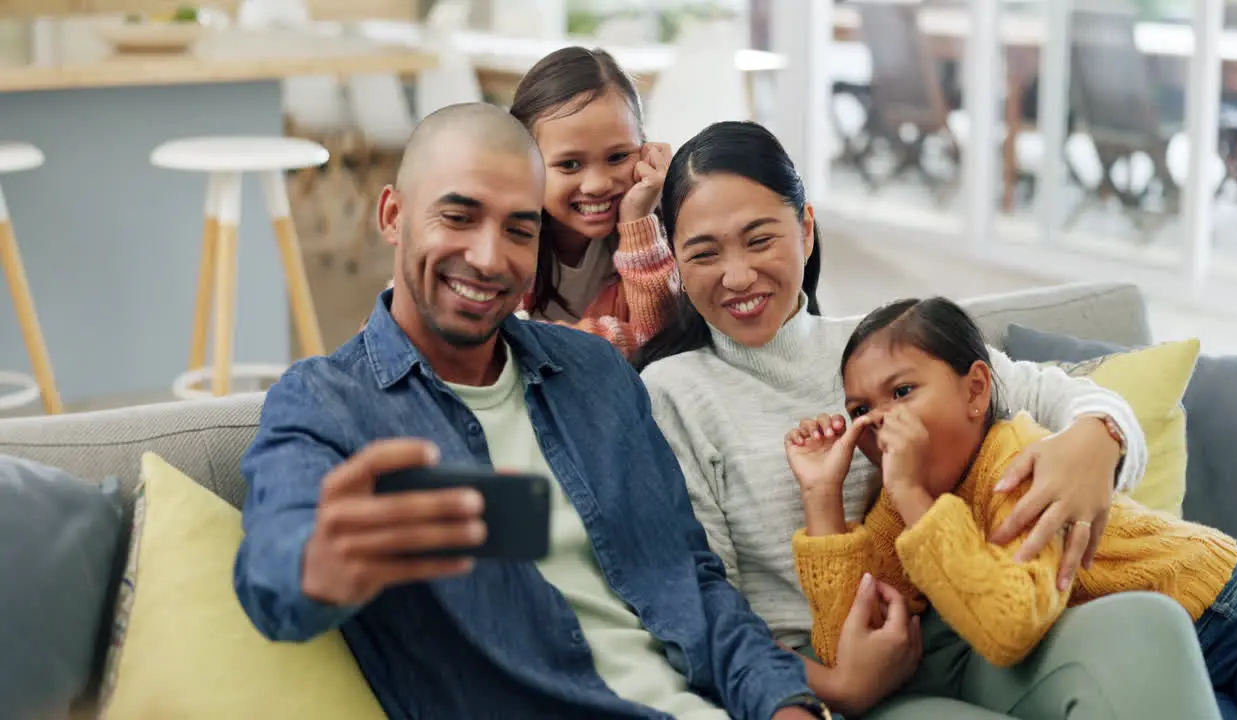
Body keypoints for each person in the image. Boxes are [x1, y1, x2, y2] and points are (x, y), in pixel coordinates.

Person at [233, 103, 830, 719]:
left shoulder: (595, 375)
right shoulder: (329, 403)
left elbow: (692, 582)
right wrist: (316, 568)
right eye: (458, 217)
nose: (490, 258)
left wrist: (787, 704)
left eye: (519, 229)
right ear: (392, 215)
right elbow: (272, 567)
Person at [634, 121, 1221, 718]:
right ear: (676, 262)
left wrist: (1098, 442)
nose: (736, 276)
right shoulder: (670, 394)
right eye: (704, 253)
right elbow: (703, 604)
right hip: (829, 671)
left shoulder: (879, 347)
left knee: (1151, 621)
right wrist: (828, 683)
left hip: (980, 627)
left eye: (760, 240)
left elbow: (1060, 395)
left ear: (806, 230)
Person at [788, 295, 1237, 719]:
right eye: (860, 411)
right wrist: (822, 497)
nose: (880, 421)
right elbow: (844, 651)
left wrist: (914, 498)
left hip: (1235, 611)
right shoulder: (899, 510)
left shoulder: (1015, 457)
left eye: (902, 392)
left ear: (975, 390)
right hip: (1155, 665)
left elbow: (1011, 623)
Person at [383, 46, 677, 356]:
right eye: (570, 164)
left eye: (618, 157)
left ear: (645, 149)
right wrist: (615, 341)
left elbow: (662, 346)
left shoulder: (653, 232)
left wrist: (638, 223)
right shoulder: (499, 231)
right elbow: (482, 341)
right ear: (527, 162)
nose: (597, 185)